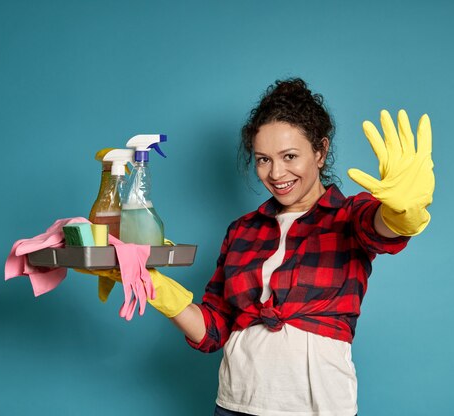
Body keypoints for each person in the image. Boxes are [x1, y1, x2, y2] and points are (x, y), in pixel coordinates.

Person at [116, 78, 433, 415]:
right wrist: (154, 286)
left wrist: (402, 214)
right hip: (235, 404)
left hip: (318, 407)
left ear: (321, 151)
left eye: (290, 156)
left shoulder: (349, 216)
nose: (276, 172)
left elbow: (380, 230)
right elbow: (212, 330)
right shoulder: (241, 231)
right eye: (263, 159)